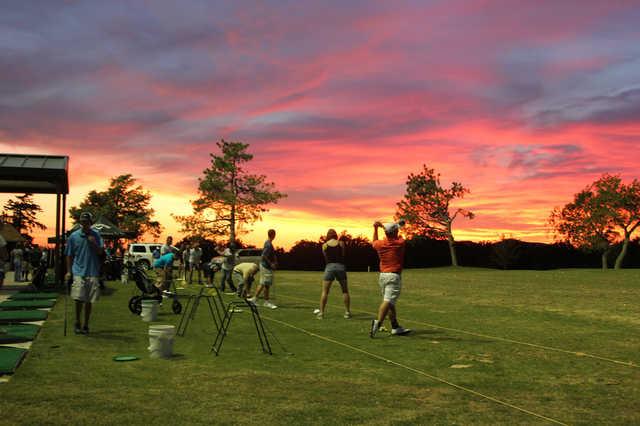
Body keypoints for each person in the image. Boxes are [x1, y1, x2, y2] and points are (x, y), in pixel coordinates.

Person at [65, 212, 104, 335]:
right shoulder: (74, 236)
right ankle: (77, 322)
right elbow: (69, 255)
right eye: (83, 222)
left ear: (90, 223)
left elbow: (100, 253)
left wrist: (93, 243)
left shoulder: (96, 235)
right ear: (80, 223)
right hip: (78, 271)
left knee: (89, 301)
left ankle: (86, 324)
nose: (85, 224)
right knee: (78, 299)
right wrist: (68, 271)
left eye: (87, 222)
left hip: (92, 271)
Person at [370, 221, 411, 338]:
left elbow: (374, 241)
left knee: (390, 304)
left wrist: (376, 228)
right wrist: (391, 227)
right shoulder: (400, 243)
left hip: (383, 276)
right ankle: (378, 323)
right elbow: (399, 235)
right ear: (395, 232)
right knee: (388, 301)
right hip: (393, 276)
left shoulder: (380, 244)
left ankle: (395, 327)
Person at [314, 229, 351, 319]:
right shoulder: (341, 243)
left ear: (328, 235)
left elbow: (326, 258)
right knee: (345, 291)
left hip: (329, 268)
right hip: (340, 267)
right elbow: (343, 255)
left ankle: (321, 313)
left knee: (325, 292)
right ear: (335, 235)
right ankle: (347, 312)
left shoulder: (324, 245)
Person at [248, 229, 278, 309]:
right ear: (273, 235)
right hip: (266, 266)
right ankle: (266, 302)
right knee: (266, 284)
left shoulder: (268, 243)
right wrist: (271, 264)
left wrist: (274, 260)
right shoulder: (268, 244)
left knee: (263, 283)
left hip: (264, 266)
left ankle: (254, 299)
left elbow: (270, 255)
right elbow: (264, 256)